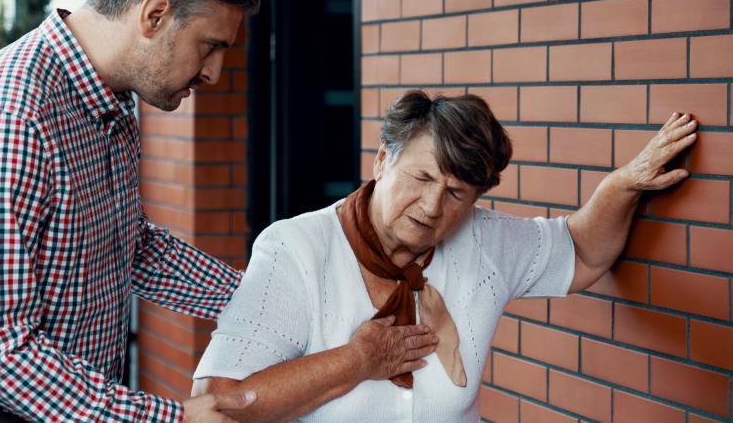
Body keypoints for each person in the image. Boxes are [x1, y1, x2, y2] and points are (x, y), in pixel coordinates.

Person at [192, 90, 698, 422]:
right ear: (383, 159)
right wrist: (356, 361)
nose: (434, 207)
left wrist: (623, 185)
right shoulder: (295, 248)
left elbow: (583, 252)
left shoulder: (485, 241)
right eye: (422, 178)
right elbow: (218, 404)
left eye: (457, 193)